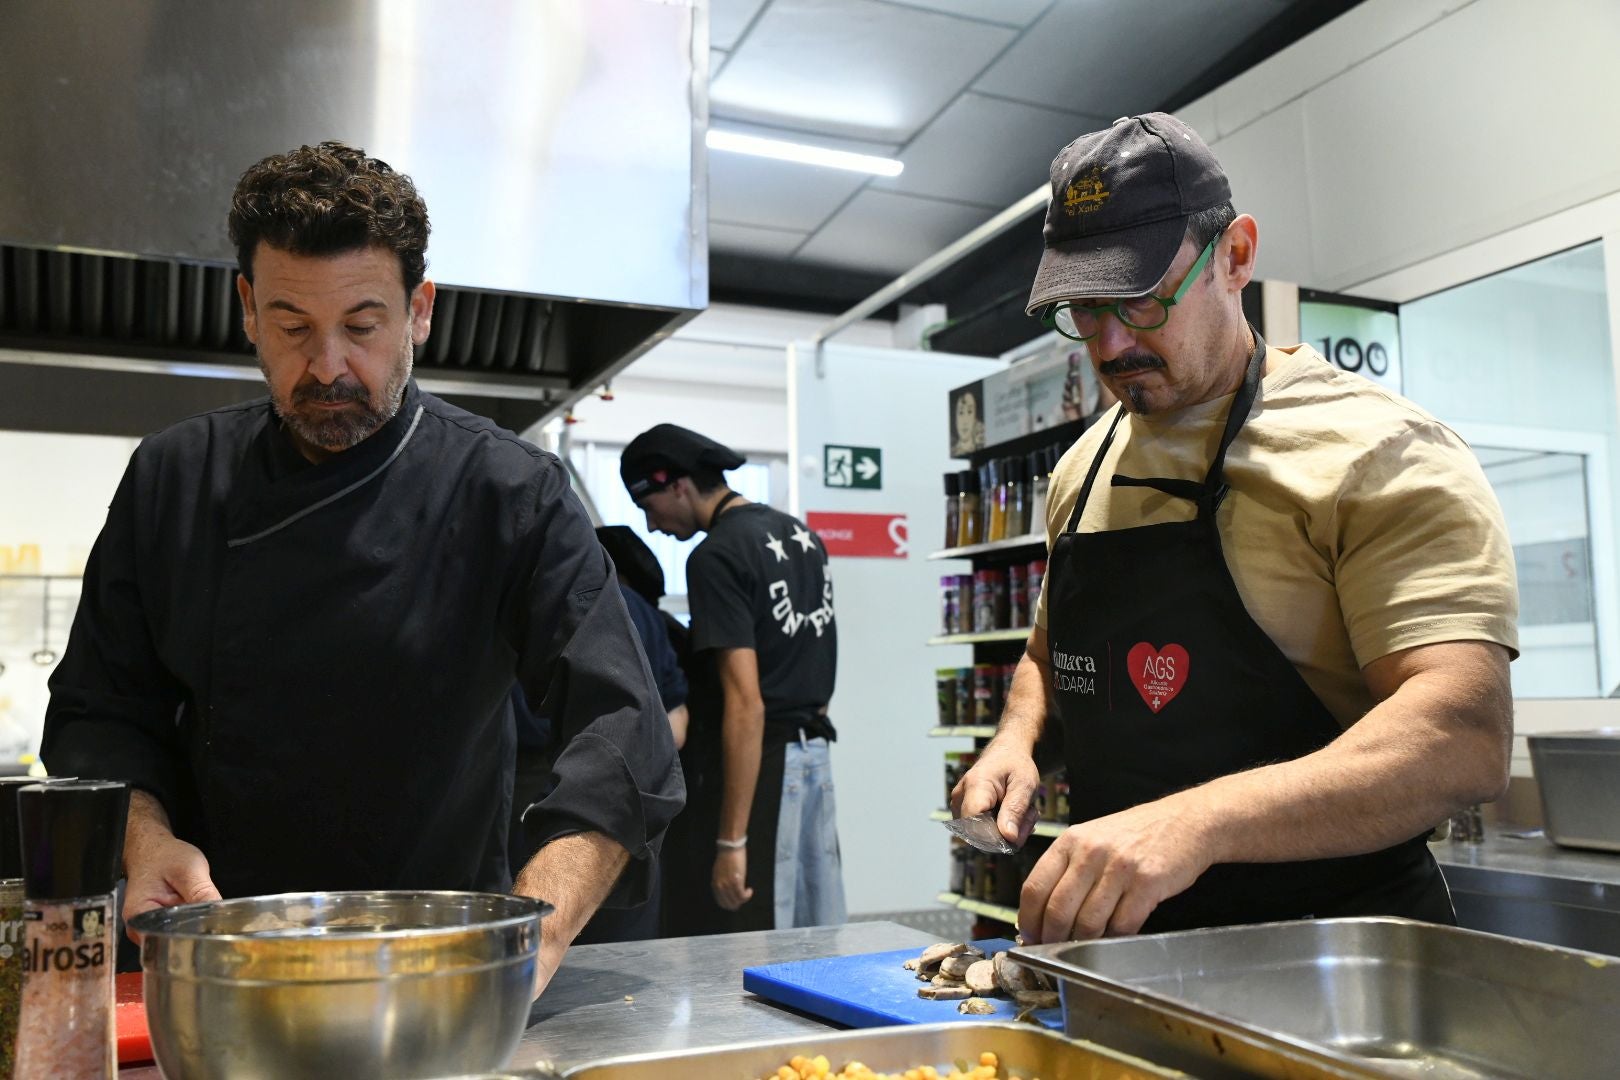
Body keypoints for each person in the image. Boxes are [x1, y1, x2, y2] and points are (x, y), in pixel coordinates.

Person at [40, 142, 683, 995]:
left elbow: (625, 728)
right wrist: (147, 842)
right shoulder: (174, 479)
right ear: (247, 308)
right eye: (294, 326)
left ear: (420, 311)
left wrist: (537, 925)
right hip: (219, 964)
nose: (329, 366)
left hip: (436, 971)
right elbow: (99, 709)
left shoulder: (506, 490)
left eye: (363, 326)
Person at [952, 113, 1517, 942]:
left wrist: (1193, 824)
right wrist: (1019, 739)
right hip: (1130, 959)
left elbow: (1461, 735)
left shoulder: (1376, 451)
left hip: (1334, 959)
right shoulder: (1083, 467)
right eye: (1082, 310)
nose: (1108, 344)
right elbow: (1051, 651)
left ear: (1236, 256)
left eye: (1139, 302)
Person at [620, 424, 845, 933]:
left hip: (762, 771)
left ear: (677, 485)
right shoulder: (803, 537)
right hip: (814, 761)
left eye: (649, 509)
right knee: (815, 930)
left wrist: (731, 842)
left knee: (755, 938)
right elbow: (816, 667)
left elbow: (746, 704)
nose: (653, 528)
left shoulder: (716, 556)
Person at [506, 525, 690, 944]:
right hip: (631, 796)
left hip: (531, 790)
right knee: (627, 947)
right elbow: (677, 723)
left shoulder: (523, 606)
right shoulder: (644, 613)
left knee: (534, 944)